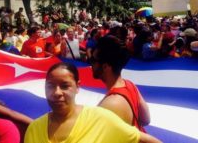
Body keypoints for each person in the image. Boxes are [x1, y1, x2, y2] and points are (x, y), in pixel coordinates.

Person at [24, 62, 161, 143]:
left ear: (78, 87)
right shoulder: (34, 129)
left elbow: (147, 140)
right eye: (50, 86)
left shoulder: (100, 118)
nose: (56, 92)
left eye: (65, 86)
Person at [91, 36, 150, 132]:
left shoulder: (110, 105)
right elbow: (146, 120)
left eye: (93, 60)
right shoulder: (130, 85)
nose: (91, 64)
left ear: (105, 67)